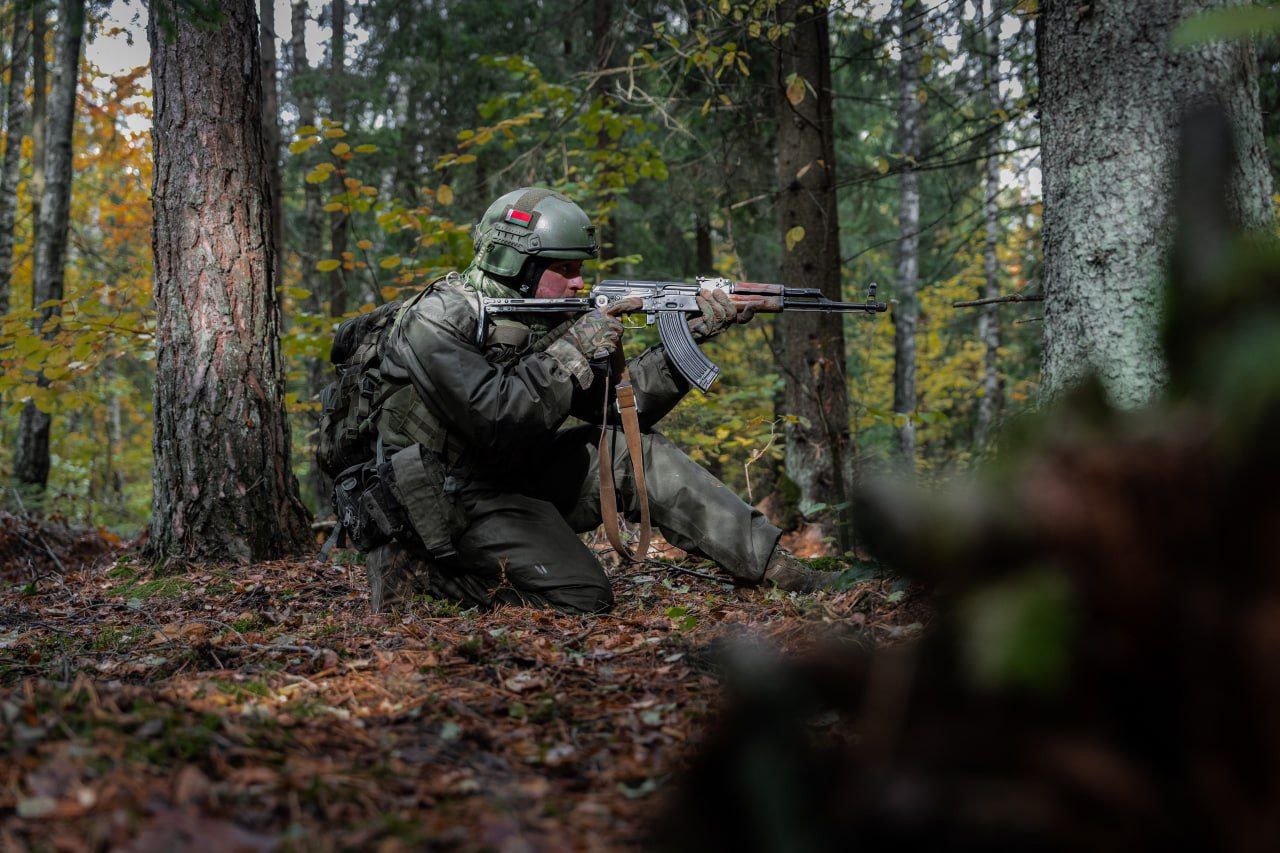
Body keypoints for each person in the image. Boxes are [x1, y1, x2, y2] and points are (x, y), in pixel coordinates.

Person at [366, 186, 838, 613]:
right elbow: (495, 415)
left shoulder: (547, 318)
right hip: (447, 499)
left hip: (508, 473)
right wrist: (573, 348)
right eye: (565, 270)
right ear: (517, 264)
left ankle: (776, 566)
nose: (578, 283)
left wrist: (689, 339)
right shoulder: (435, 320)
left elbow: (615, 409)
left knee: (634, 453)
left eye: (580, 270)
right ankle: (426, 580)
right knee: (584, 594)